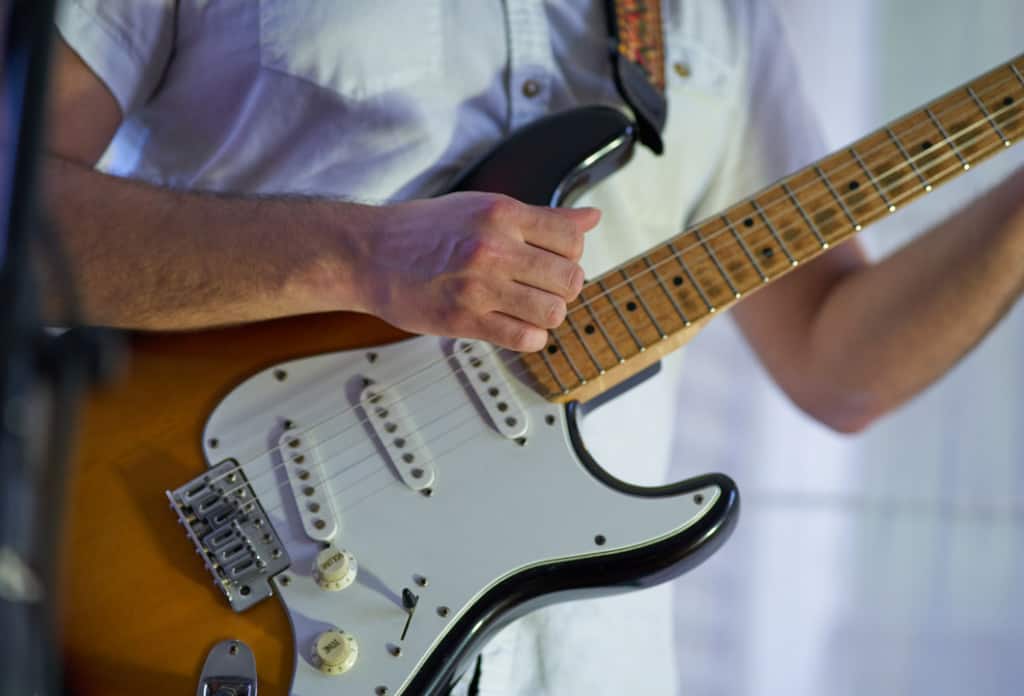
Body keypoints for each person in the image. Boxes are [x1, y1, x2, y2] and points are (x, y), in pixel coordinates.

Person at [44, 1, 1024, 694]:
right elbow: (19, 218)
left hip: (591, 662)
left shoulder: (718, 18)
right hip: (209, 571)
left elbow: (836, 363)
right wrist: (355, 255)